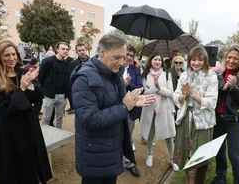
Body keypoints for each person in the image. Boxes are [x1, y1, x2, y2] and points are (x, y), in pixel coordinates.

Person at [71, 33, 155, 184]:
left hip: (112, 147)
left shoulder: (114, 74)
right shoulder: (84, 79)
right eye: (117, 57)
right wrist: (125, 107)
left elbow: (116, 102)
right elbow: (89, 119)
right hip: (95, 154)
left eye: (123, 57)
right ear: (101, 52)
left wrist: (132, 101)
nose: (122, 62)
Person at [0, 40, 52, 184]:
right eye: (7, 55)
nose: (11, 58)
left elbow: (38, 96)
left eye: (13, 54)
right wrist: (22, 88)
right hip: (8, 129)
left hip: (27, 124)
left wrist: (32, 85)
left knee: (30, 161)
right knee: (13, 166)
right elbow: (5, 108)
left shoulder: (23, 72)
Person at [173, 46, 218, 184]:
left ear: (205, 60)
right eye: (193, 59)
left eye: (200, 59)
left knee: (197, 158)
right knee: (186, 154)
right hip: (185, 120)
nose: (196, 63)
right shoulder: (184, 75)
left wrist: (193, 94)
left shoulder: (211, 76)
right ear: (189, 60)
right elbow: (176, 96)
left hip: (202, 123)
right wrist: (184, 97)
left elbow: (211, 103)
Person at [211, 44, 239, 184]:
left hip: (235, 122)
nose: (231, 61)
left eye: (236, 58)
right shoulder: (219, 74)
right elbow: (216, 94)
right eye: (229, 57)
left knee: (235, 157)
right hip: (218, 120)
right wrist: (224, 87)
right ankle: (220, 177)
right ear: (225, 58)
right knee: (219, 152)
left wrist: (234, 88)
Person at [139, 52, 177, 170]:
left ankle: (172, 159)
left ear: (162, 62)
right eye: (155, 59)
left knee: (169, 135)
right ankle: (149, 155)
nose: (157, 62)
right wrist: (154, 87)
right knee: (150, 134)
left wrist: (159, 87)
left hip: (164, 109)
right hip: (150, 108)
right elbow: (144, 93)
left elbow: (171, 93)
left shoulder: (167, 75)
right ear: (151, 60)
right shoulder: (144, 74)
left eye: (159, 60)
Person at [39, 42, 70, 129]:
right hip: (50, 94)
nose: (65, 51)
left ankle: (58, 135)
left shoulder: (66, 63)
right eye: (63, 49)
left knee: (59, 117)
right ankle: (44, 138)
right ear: (57, 50)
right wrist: (46, 88)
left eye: (67, 49)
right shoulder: (48, 61)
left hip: (62, 95)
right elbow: (41, 76)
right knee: (46, 117)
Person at [122, 44, 142, 177]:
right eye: (127, 54)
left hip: (130, 110)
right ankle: (115, 161)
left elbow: (140, 88)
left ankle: (129, 163)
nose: (128, 57)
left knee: (127, 136)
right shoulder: (113, 67)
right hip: (113, 108)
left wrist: (129, 85)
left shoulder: (135, 70)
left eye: (131, 55)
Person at [66, 43, 89, 114]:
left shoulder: (93, 62)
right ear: (76, 52)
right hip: (79, 93)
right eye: (79, 50)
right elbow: (70, 79)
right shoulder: (73, 64)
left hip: (91, 91)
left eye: (83, 50)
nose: (82, 52)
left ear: (86, 50)